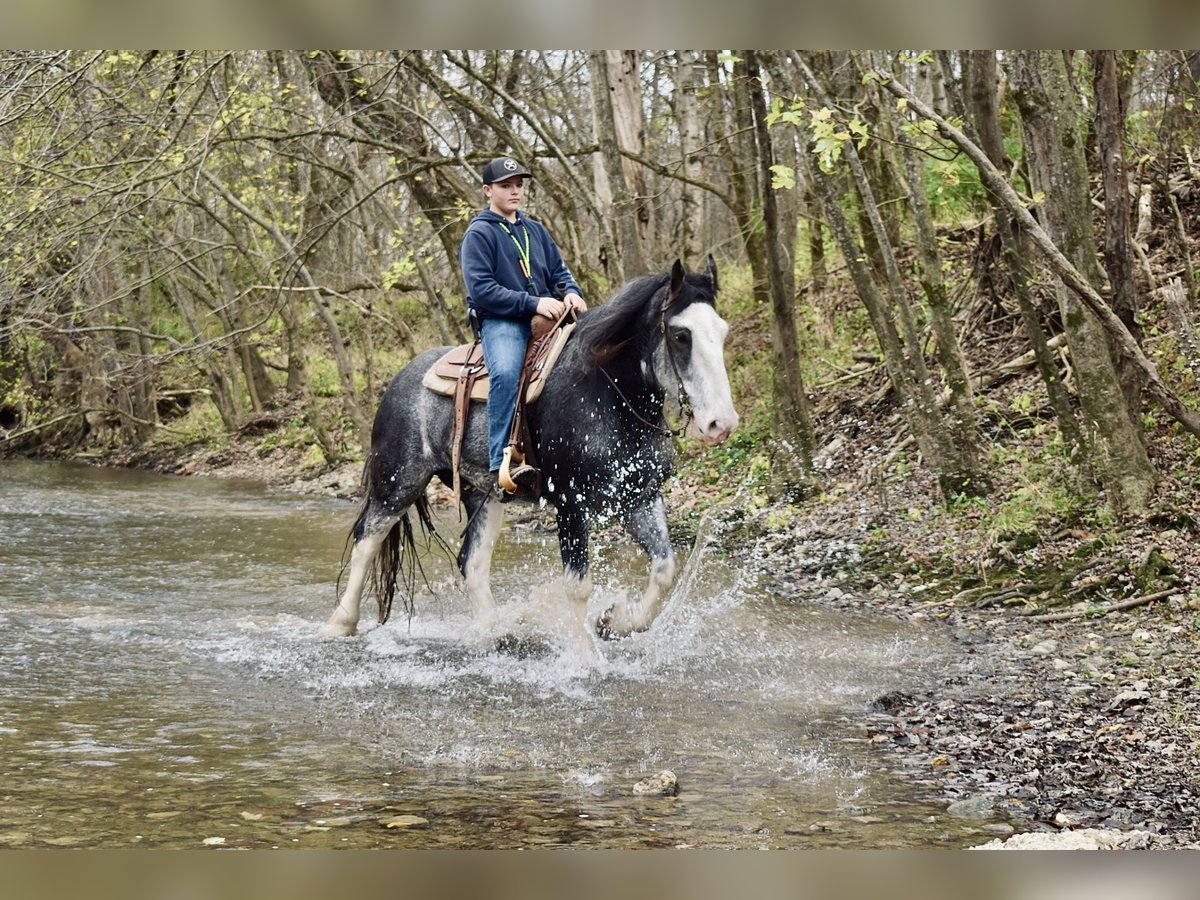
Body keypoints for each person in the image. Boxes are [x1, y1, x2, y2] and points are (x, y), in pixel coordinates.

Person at [459, 155, 587, 498]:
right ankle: (500, 463)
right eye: (506, 186)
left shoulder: (536, 230)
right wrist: (532, 302)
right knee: (504, 373)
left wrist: (571, 292)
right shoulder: (479, 233)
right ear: (488, 191)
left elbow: (560, 273)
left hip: (549, 319)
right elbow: (482, 290)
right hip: (503, 321)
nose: (515, 191)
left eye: (518, 185)